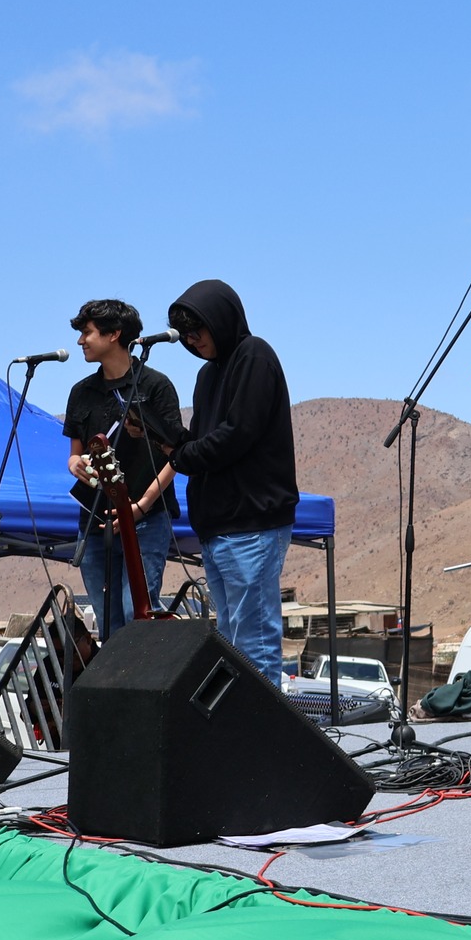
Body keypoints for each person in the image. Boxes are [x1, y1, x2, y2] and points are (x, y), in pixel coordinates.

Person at [162, 281, 297, 684]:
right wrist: (162, 437)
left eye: (197, 330)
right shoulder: (207, 375)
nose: (192, 340)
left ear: (220, 319)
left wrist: (181, 455)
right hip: (218, 526)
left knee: (253, 645)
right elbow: (202, 440)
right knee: (234, 644)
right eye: (186, 335)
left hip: (251, 521)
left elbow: (238, 434)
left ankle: (263, 724)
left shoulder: (254, 355)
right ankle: (247, 721)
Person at [63, 298, 183, 639]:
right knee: (107, 621)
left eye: (87, 332)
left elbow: (177, 456)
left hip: (146, 519)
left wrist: (141, 506)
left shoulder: (156, 386)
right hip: (93, 519)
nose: (80, 341)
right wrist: (75, 464)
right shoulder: (81, 392)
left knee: (138, 615)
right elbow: (74, 454)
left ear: (114, 334)